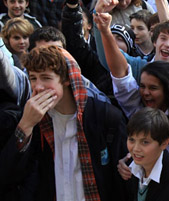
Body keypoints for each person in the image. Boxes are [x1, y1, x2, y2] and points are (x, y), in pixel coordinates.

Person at [4, 45, 128, 201]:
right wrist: (25, 126)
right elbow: (10, 175)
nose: (38, 86)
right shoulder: (32, 119)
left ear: (67, 79)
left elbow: (122, 179)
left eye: (46, 78)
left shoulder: (105, 116)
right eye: (33, 78)